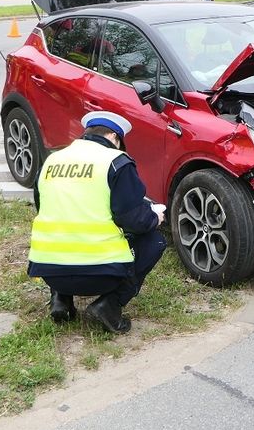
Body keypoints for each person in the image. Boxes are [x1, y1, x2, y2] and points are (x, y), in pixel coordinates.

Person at [27, 111, 166, 334]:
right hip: (101, 275)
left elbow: (44, 207)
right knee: (155, 241)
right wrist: (153, 217)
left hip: (48, 270)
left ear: (86, 134)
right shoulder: (115, 162)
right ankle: (109, 305)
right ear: (113, 137)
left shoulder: (52, 160)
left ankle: (60, 299)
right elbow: (133, 220)